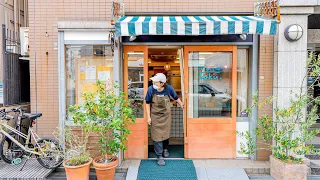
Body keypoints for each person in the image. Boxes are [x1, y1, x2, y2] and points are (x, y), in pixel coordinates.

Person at [145, 73, 184, 166]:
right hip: (155, 115)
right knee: (157, 135)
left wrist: (181, 104)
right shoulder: (151, 89)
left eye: (156, 82)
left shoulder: (169, 89)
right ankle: (159, 156)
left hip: (166, 115)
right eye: (153, 81)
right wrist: (148, 117)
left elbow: (176, 97)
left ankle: (165, 149)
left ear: (162, 83)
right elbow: (147, 103)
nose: (153, 83)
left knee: (165, 133)